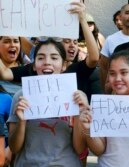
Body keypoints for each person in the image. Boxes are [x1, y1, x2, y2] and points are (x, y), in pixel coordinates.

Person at [7, 38, 88, 166]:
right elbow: (14, 148)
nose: (47, 62)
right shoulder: (21, 97)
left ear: (64, 66)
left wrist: (78, 115)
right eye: (40, 58)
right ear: (34, 66)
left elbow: (80, 149)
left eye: (54, 58)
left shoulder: (77, 97)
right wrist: (22, 120)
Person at [99, 4, 129, 92]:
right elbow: (104, 67)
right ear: (120, 16)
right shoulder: (111, 39)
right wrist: (105, 91)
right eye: (128, 13)